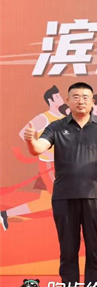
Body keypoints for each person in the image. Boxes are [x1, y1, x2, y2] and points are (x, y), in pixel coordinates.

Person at [23, 82, 97, 287]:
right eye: (75, 97)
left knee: (95, 251)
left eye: (85, 97)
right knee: (68, 251)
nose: (81, 101)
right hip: (64, 197)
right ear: (67, 101)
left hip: (96, 196)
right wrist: (31, 140)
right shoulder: (56, 127)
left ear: (93, 101)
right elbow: (38, 148)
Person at [1, 86, 65, 230]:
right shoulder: (43, 118)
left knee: (44, 202)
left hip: (62, 164)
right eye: (57, 96)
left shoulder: (63, 118)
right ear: (50, 100)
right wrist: (41, 149)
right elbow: (23, 133)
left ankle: (4, 214)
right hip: (49, 165)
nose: (60, 98)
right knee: (62, 196)